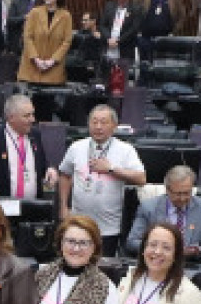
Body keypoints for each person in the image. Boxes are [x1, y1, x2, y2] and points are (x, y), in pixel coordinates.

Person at [58, 104, 146, 257]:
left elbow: (141, 178)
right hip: (78, 223)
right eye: (94, 122)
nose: (98, 127)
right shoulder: (76, 147)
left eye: (104, 122)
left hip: (108, 227)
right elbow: (65, 174)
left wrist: (111, 169)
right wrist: (64, 206)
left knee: (103, 268)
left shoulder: (126, 150)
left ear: (114, 126)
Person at [124, 166, 201, 261]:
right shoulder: (148, 207)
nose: (182, 198)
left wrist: (197, 251)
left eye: (187, 193)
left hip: (189, 264)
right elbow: (132, 242)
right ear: (167, 190)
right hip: (157, 262)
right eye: (178, 194)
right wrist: (159, 249)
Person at [17, 0, 73, 86]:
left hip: (53, 69)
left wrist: (52, 61)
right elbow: (27, 37)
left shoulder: (66, 16)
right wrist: (36, 59)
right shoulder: (34, 13)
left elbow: (67, 41)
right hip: (32, 68)